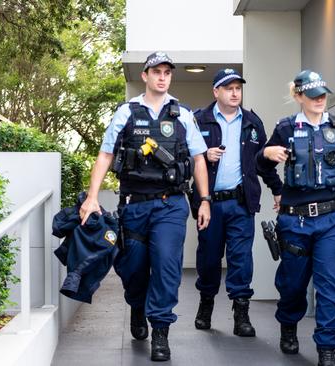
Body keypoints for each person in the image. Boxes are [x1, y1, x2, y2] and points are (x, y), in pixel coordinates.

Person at [79, 51, 211, 362]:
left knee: (166, 265)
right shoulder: (126, 113)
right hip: (134, 206)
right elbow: (105, 155)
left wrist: (204, 199)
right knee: (133, 268)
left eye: (167, 72)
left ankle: (161, 331)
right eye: (157, 71)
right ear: (145, 76)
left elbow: (198, 159)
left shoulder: (183, 114)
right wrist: (91, 196)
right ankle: (137, 305)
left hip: (171, 205)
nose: (163, 77)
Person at [256, 70, 335, 366]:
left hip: (333, 219)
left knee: (332, 285)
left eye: (323, 95)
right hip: (295, 222)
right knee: (293, 285)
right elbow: (262, 167)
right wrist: (267, 155)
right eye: (312, 95)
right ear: (298, 96)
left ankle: (327, 349)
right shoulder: (285, 128)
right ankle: (289, 325)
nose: (320, 100)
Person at [190, 68, 280, 337]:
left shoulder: (252, 122)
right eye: (228, 88)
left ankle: (241, 314)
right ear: (215, 91)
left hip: (241, 204)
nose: (234, 93)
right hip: (210, 205)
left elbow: (264, 162)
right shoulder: (198, 120)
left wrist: (277, 189)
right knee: (208, 260)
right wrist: (204, 155)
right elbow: (184, 160)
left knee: (241, 260)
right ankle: (206, 305)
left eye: (238, 88)